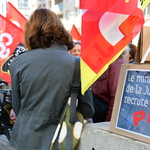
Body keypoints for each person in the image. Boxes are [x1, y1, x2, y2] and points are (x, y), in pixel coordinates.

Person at [9, 8, 94, 150]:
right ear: (60, 30)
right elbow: (88, 110)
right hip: (63, 139)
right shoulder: (77, 64)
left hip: (27, 139)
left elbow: (17, 108)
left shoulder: (18, 62)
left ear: (31, 31)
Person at [92, 48, 128, 123]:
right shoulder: (104, 61)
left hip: (102, 115)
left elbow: (116, 98)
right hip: (97, 113)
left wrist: (108, 123)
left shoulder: (117, 64)